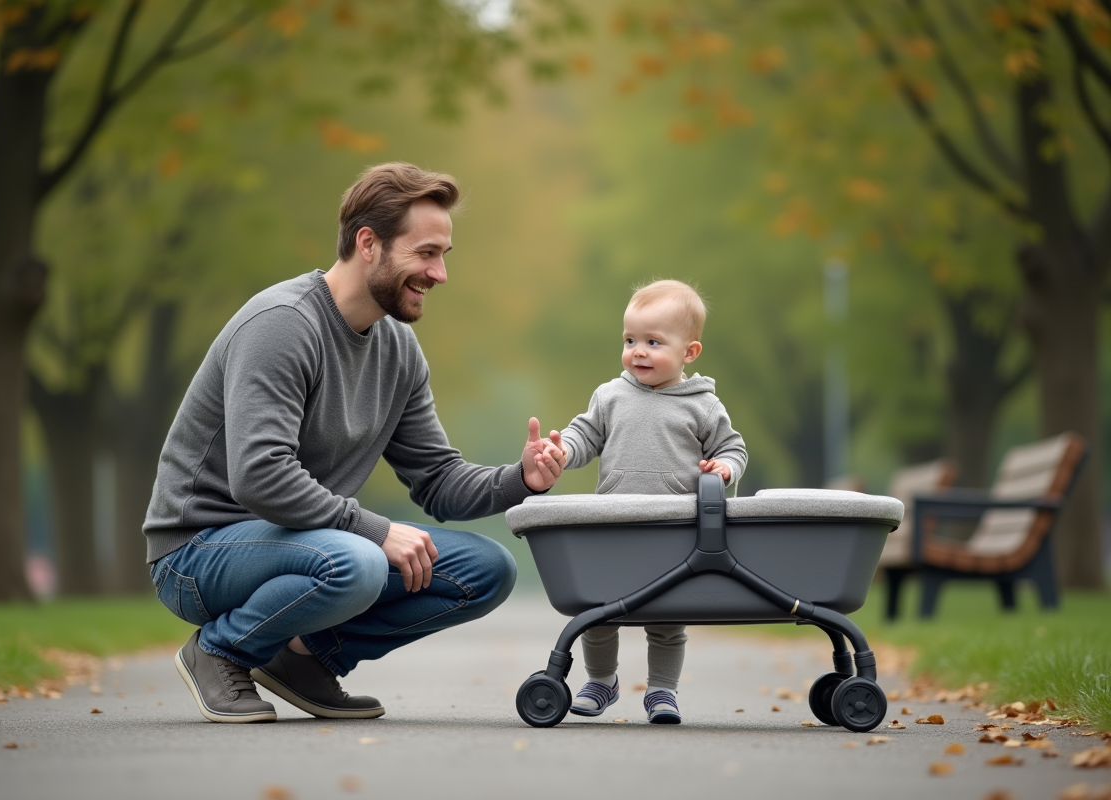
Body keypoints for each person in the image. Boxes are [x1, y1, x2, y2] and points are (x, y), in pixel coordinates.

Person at [143, 162, 566, 723]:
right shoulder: (283, 324)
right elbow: (261, 474)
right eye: (426, 253)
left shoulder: (398, 350)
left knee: (487, 569)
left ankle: (305, 659)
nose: (439, 273)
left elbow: (438, 482)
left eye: (443, 255)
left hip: (308, 543)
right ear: (369, 243)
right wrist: (375, 530)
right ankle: (219, 650)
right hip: (198, 553)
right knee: (361, 561)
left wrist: (520, 479)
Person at [553, 279, 747, 724]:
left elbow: (732, 448)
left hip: (674, 530)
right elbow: (585, 435)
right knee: (598, 610)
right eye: (630, 340)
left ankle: (662, 691)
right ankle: (601, 680)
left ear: (689, 352)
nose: (638, 351)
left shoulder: (704, 406)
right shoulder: (610, 396)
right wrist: (563, 451)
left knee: (666, 618)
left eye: (653, 342)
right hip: (615, 524)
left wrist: (724, 468)